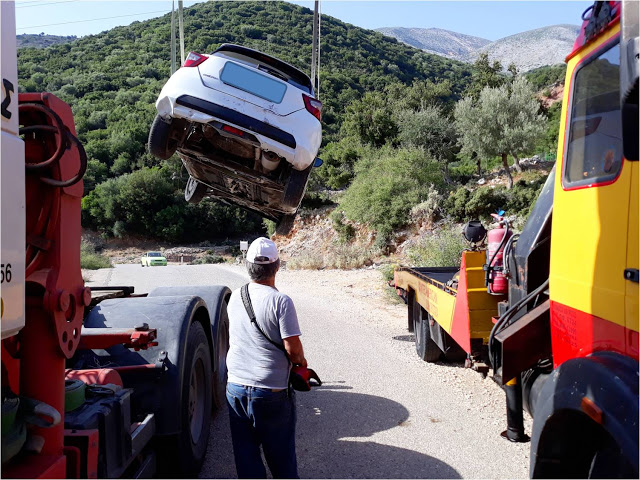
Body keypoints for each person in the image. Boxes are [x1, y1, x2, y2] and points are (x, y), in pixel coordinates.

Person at [225, 237, 307, 479]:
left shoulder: (236, 296)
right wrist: (302, 363)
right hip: (270, 390)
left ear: (248, 266)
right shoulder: (281, 301)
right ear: (277, 266)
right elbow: (293, 350)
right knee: (281, 455)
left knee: (246, 454)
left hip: (236, 386)